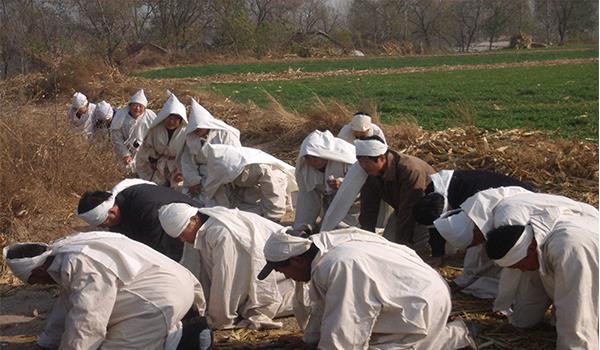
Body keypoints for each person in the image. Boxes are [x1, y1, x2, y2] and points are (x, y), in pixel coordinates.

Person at [257, 228, 477, 349]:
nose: (285, 276)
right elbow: (325, 306)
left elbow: (347, 328)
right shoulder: (324, 247)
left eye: (281, 270)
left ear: (296, 261)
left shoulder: (340, 266)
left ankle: (453, 337)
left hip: (419, 303)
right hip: (416, 292)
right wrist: (310, 340)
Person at [3, 231, 211, 350]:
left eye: (36, 281)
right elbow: (66, 307)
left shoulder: (82, 265)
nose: (41, 285)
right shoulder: (65, 249)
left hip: (161, 299)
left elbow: (89, 322)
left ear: (38, 270)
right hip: (169, 284)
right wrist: (46, 343)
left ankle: (186, 338)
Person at [434, 187, 597, 311]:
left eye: (473, 242)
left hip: (581, 226)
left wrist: (501, 305)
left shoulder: (508, 221)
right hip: (562, 230)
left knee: (573, 295)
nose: (475, 246)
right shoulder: (480, 213)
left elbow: (513, 271)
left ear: (476, 230)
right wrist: (465, 279)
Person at [158, 202, 295, 330]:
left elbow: (228, 279)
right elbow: (195, 269)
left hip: (285, 278)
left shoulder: (222, 232)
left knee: (280, 304)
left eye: (182, 234)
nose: (182, 240)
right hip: (265, 278)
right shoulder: (204, 228)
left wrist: (219, 319)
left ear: (194, 220)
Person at [485, 204, 598, 349]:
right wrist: (520, 322)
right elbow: (533, 290)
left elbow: (578, 305)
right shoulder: (538, 240)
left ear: (530, 249)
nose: (523, 270)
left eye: (520, 265)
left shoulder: (566, 249)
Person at [413, 169, 535, 264]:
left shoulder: (475, 203)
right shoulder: (433, 192)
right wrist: (437, 254)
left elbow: (480, 233)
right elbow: (435, 225)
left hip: (522, 199)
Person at [76, 178, 200, 262]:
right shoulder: (121, 204)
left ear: (112, 212)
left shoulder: (145, 205)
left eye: (104, 224)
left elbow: (158, 251)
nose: (106, 228)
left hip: (193, 232)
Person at [353, 136, 434, 254]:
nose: (363, 166)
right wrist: (367, 237)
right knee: (386, 247)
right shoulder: (370, 172)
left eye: (366, 162)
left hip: (425, 212)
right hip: (401, 210)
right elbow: (368, 207)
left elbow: (410, 208)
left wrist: (402, 242)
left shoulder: (410, 170)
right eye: (360, 161)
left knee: (407, 252)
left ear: (381, 158)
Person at [202, 143, 297, 222]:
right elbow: (216, 189)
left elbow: (273, 191)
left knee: (269, 213)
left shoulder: (260, 167)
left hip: (275, 182)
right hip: (247, 189)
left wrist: (273, 217)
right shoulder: (220, 166)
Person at [293, 130, 359, 231]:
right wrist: (303, 226)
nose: (312, 161)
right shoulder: (306, 169)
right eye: (308, 158)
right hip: (330, 203)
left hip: (354, 205)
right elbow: (307, 200)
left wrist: (344, 184)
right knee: (324, 228)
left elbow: (362, 184)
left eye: (315, 157)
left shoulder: (348, 160)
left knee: (343, 230)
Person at [181, 98, 241, 201]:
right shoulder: (191, 138)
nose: (197, 130)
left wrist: (216, 178)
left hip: (220, 176)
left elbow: (233, 158)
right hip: (200, 176)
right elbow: (187, 162)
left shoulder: (225, 135)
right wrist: (193, 180)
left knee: (220, 202)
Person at [136, 93, 188, 186]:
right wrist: (151, 159)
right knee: (154, 187)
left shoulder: (186, 134)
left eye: (175, 119)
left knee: (179, 187)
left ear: (180, 120)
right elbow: (146, 147)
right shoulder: (156, 130)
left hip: (177, 166)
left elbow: (188, 156)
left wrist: (181, 172)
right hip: (157, 164)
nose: (171, 122)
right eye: (169, 118)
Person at [110, 89, 157, 170]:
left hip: (147, 153)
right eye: (135, 105)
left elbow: (156, 135)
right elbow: (116, 136)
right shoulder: (121, 116)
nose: (137, 108)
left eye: (140, 106)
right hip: (127, 152)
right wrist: (125, 154)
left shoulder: (150, 116)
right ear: (130, 105)